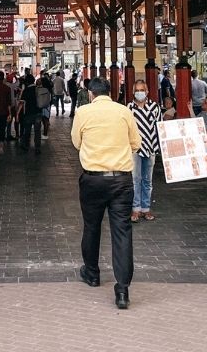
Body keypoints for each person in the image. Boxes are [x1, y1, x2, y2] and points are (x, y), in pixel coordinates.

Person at [71, 78, 139, 309]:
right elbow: (135, 143)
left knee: (92, 226)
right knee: (122, 231)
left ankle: (91, 273)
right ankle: (122, 289)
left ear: (91, 94)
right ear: (111, 92)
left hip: (93, 179)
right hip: (121, 180)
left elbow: (77, 142)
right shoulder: (124, 111)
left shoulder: (83, 112)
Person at [127, 79, 162, 222]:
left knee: (148, 180)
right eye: (137, 90)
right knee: (135, 179)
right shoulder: (129, 108)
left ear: (147, 92)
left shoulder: (155, 107)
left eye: (142, 90)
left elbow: (160, 127)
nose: (140, 93)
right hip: (135, 149)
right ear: (133, 92)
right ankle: (135, 209)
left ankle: (146, 208)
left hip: (150, 147)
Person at [17, 74, 42, 154]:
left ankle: (26, 146)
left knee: (27, 130)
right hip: (38, 112)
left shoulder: (26, 90)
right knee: (37, 131)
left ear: (27, 82)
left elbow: (21, 103)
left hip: (28, 113)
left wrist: (17, 113)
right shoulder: (38, 89)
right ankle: (37, 147)